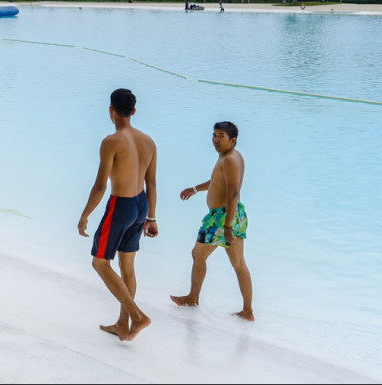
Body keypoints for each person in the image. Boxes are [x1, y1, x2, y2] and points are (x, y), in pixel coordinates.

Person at [77, 88, 158, 341]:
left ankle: (138, 316)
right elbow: (152, 183)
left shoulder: (111, 142)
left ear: (111, 110)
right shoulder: (148, 141)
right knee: (127, 268)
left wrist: (84, 215)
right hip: (141, 204)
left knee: (100, 263)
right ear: (133, 111)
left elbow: (101, 186)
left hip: (120, 206)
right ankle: (123, 324)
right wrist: (152, 217)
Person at [171, 121, 254, 321]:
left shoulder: (230, 160)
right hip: (233, 215)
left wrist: (226, 226)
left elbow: (233, 193)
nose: (216, 140)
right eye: (214, 135)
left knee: (198, 254)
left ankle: (193, 297)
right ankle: (247, 311)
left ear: (232, 140)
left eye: (221, 136)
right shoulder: (230, 157)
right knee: (238, 263)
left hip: (222, 218)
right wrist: (195, 189)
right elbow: (217, 182)